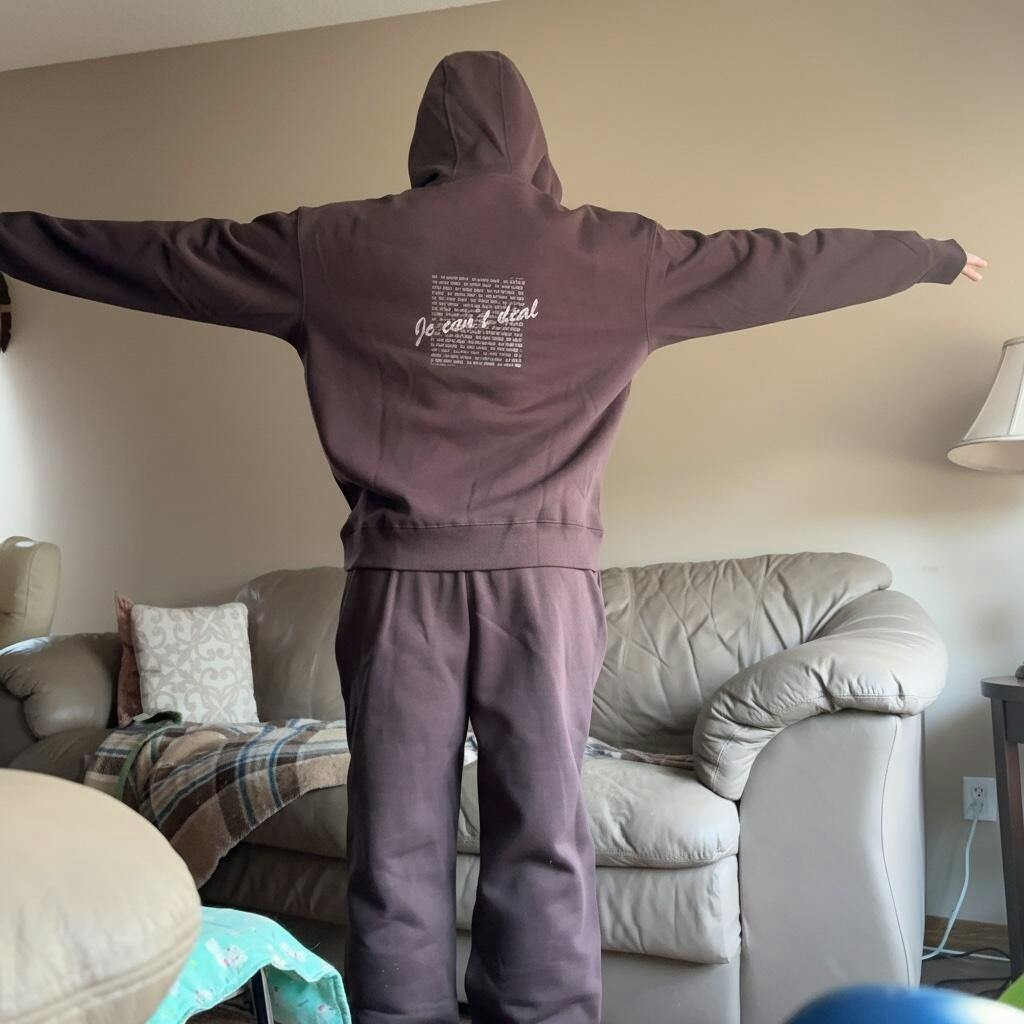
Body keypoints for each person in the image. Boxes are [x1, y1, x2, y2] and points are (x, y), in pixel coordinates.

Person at [0, 48, 984, 1024]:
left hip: (399, 589)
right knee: (542, 828)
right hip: (544, 593)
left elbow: (162, 256)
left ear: (428, 139)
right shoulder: (620, 254)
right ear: (533, 140)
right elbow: (778, 263)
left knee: (396, 834)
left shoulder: (332, 246)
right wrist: (925, 256)